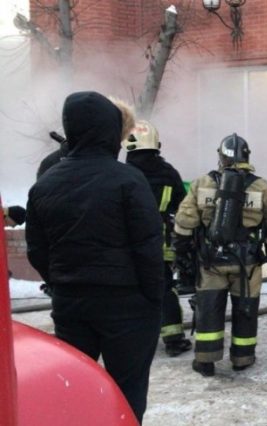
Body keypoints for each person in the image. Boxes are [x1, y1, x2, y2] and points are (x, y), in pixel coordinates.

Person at [25, 91, 163, 423]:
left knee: (75, 388)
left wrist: (62, 283)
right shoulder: (128, 179)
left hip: (72, 307)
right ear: (110, 129)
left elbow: (37, 251)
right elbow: (148, 247)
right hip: (127, 306)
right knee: (127, 391)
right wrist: (152, 298)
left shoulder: (45, 185)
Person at [173, 133, 267, 377]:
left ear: (221, 157)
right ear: (246, 157)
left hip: (211, 262)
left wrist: (181, 254)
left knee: (209, 309)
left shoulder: (202, 183)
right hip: (248, 264)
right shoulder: (261, 186)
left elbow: (184, 222)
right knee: (246, 309)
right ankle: (242, 358)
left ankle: (205, 360)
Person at [123, 119, 193, 357]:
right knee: (164, 289)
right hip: (159, 245)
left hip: (126, 247)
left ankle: (132, 341)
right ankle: (173, 339)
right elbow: (183, 208)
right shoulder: (168, 173)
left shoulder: (122, 173)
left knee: (129, 291)